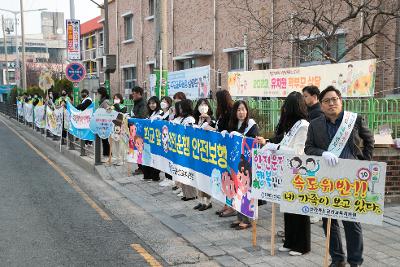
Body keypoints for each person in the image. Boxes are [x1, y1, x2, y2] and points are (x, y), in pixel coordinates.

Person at [305, 86, 374, 267]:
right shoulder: (315, 124)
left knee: (352, 222)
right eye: (327, 101)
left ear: (340, 101)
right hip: (326, 179)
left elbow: (369, 140)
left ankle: (355, 261)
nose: (331, 103)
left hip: (350, 179)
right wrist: (322, 153)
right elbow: (308, 148)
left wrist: (363, 163)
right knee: (329, 221)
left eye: (334, 99)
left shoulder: (354, 120)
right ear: (321, 105)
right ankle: (337, 259)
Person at [256, 91, 310, 256]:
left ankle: (301, 245)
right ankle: (289, 241)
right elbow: (283, 141)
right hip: (286, 171)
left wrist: (277, 148)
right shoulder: (292, 125)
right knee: (287, 208)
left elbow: (298, 152)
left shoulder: (303, 126)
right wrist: (272, 145)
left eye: (287, 107)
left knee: (298, 211)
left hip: (298, 172)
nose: (284, 110)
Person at [204, 89, 236, 217]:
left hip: (228, 150)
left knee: (230, 177)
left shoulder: (230, 113)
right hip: (222, 151)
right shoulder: (223, 113)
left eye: (217, 100)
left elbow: (225, 132)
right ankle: (226, 204)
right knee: (225, 178)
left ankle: (232, 206)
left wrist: (211, 128)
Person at [229, 100, 258, 230]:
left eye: (243, 109)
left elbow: (252, 141)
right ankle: (239, 217)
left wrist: (239, 136)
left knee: (246, 191)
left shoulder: (251, 124)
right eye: (239, 110)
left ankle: (247, 219)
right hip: (236, 162)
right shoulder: (234, 124)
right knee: (237, 190)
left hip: (248, 165)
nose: (241, 112)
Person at [192, 98, 216, 211]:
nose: (203, 106)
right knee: (198, 177)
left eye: (205, 104)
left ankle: (208, 202)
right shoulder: (196, 119)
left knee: (206, 177)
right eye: (200, 105)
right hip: (196, 152)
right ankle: (200, 200)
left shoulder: (212, 119)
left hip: (207, 152)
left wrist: (209, 123)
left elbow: (216, 131)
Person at [172, 99, 197, 201]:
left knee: (188, 171)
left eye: (182, 107)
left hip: (187, 148)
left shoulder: (190, 119)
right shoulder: (182, 118)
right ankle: (186, 193)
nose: (180, 109)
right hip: (181, 147)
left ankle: (190, 194)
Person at [142, 96, 163, 181]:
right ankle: (148, 175)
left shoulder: (160, 112)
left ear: (157, 104)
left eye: (153, 103)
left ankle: (155, 176)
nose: (151, 105)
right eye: (150, 103)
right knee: (147, 157)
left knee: (155, 158)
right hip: (149, 138)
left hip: (157, 139)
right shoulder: (150, 113)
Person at [158, 96, 176, 187]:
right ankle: (166, 177)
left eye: (165, 101)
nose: (163, 103)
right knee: (164, 158)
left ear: (169, 103)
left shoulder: (170, 113)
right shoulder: (161, 113)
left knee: (169, 158)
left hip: (169, 139)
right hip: (162, 138)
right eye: (162, 101)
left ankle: (171, 178)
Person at [130, 86, 147, 174]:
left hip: (140, 129)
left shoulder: (143, 103)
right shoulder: (136, 102)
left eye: (134, 93)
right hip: (135, 128)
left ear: (139, 93)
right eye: (132, 93)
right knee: (137, 148)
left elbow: (141, 116)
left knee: (140, 148)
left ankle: (142, 168)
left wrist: (131, 118)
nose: (133, 95)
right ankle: (140, 167)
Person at [98, 87, 111, 161]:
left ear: (101, 93)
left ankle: (107, 154)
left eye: (98, 93)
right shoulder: (103, 101)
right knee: (104, 139)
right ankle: (106, 154)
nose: (97, 95)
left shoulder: (105, 102)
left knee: (105, 139)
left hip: (105, 123)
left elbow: (109, 110)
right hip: (103, 122)